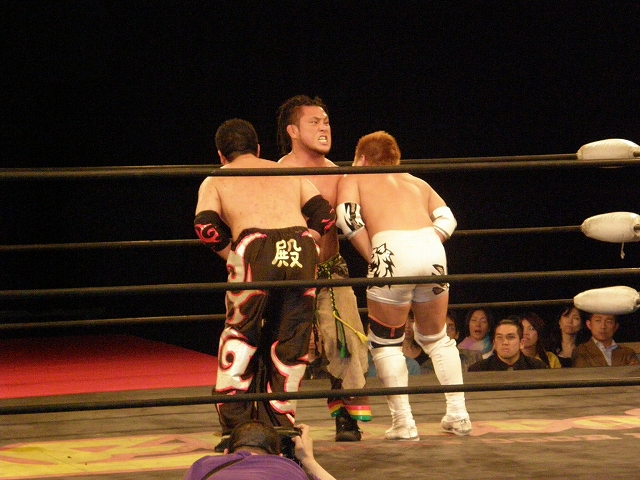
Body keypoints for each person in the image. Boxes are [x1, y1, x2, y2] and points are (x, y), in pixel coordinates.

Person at [194, 119, 336, 449]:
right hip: (300, 248)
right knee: (291, 339)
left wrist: (233, 255)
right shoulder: (286, 172)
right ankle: (281, 430)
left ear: (221, 155)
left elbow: (205, 225)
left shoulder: (217, 177)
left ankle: (237, 431)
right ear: (258, 149)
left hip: (253, 246)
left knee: (241, 335)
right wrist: (310, 241)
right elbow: (325, 214)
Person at [335, 130, 472, 440]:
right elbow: (447, 219)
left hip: (390, 248)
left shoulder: (355, 177)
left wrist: (375, 255)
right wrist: (424, 244)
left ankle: (404, 423)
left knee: (386, 342)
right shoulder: (416, 181)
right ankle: (459, 416)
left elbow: (347, 219)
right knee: (436, 338)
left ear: (362, 158)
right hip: (431, 247)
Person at [277, 95, 371, 441]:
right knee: (285, 345)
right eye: (314, 122)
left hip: (331, 269)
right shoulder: (278, 173)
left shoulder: (338, 174)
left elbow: (354, 218)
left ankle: (346, 417)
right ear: (293, 131)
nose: (324, 128)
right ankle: (277, 418)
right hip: (290, 271)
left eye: (326, 122)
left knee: (345, 341)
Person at [183, 420, 336, 480]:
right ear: (279, 456)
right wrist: (309, 460)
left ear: (226, 453)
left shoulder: (203, 466)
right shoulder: (289, 469)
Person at [404, 310, 481, 373]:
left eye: (450, 328)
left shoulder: (474, 357)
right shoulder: (426, 367)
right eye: (441, 329)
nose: (446, 333)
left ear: (457, 334)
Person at [468, 319, 549, 371]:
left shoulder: (538, 368)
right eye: (499, 337)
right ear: (494, 344)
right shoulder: (478, 370)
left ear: (521, 343)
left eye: (510, 337)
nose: (505, 342)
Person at [572, 313, 639, 367]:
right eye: (598, 321)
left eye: (608, 322)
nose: (603, 326)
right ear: (589, 324)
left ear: (616, 327)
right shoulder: (581, 351)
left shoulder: (627, 353)